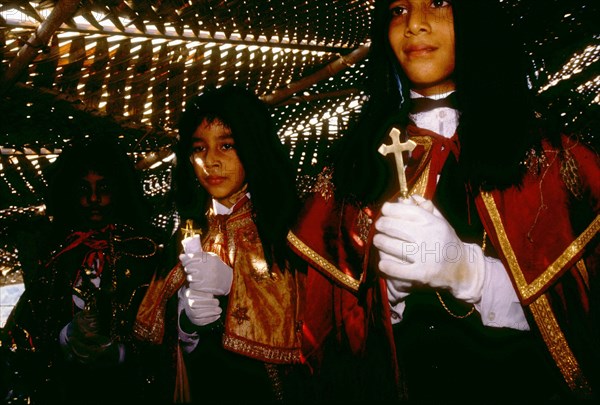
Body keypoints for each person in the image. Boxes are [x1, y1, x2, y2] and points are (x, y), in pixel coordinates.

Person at [289, 0, 599, 402]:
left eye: (437, 3)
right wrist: (384, 297)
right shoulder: (355, 165)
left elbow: (585, 315)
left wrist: (471, 274)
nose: (415, 25)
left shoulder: (548, 155)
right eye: (398, 9)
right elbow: (322, 329)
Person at [140, 85, 311, 403]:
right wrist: (185, 322)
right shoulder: (186, 232)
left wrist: (236, 286)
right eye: (199, 148)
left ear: (253, 145)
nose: (211, 162)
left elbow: (314, 321)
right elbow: (151, 341)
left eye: (227, 145)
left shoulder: (292, 225)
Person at [0, 136, 176, 404]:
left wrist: (120, 352)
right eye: (84, 189)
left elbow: (169, 338)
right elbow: (26, 338)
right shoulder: (58, 259)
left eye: (103, 187)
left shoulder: (147, 254)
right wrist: (66, 338)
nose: (94, 198)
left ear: (119, 189)